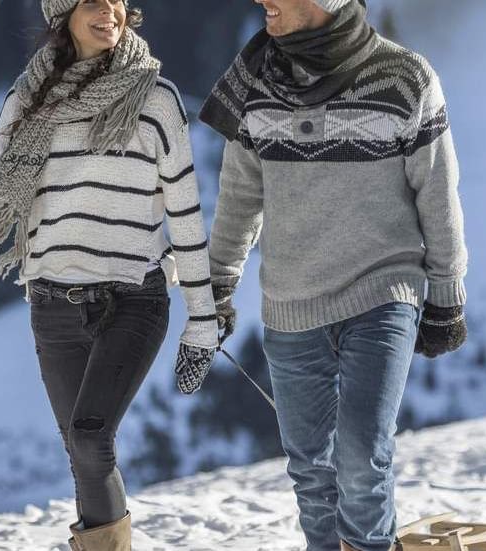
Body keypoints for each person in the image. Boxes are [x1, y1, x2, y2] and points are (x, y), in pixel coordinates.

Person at [0, 1, 218, 548]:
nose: (110, 12)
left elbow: (186, 217)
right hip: (53, 303)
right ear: (63, 12)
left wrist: (202, 321)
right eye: (92, 1)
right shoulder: (27, 102)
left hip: (135, 297)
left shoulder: (155, 99)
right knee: (82, 453)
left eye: (117, 1)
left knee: (90, 438)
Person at [200, 0, 469, 549]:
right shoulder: (255, 82)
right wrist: (218, 286)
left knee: (362, 458)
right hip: (291, 302)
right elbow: (240, 197)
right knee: (311, 473)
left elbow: (438, 197)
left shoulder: (405, 77)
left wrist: (445, 297)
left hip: (383, 291)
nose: (261, 2)